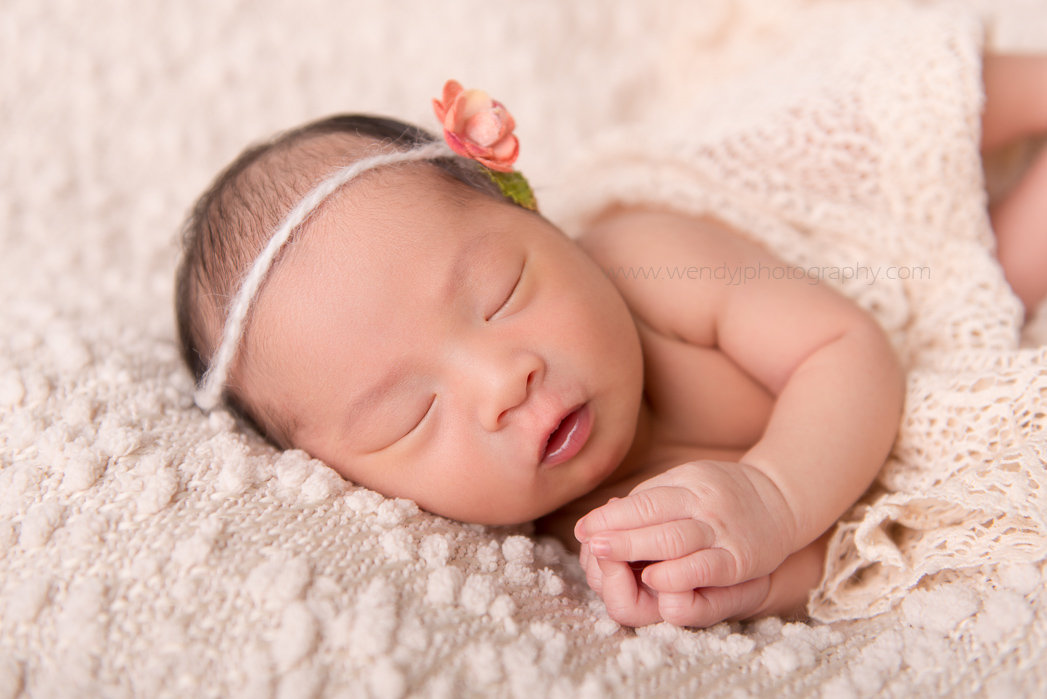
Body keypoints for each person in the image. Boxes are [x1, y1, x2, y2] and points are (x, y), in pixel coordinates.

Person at [175, 54, 1047, 629]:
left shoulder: (646, 263)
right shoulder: (581, 535)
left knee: (886, 116)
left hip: (846, 236)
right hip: (926, 367)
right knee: (999, 286)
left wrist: (772, 493)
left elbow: (845, 346)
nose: (501, 382)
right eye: (411, 414)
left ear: (532, 213)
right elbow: (845, 541)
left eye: (501, 293)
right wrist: (747, 572)